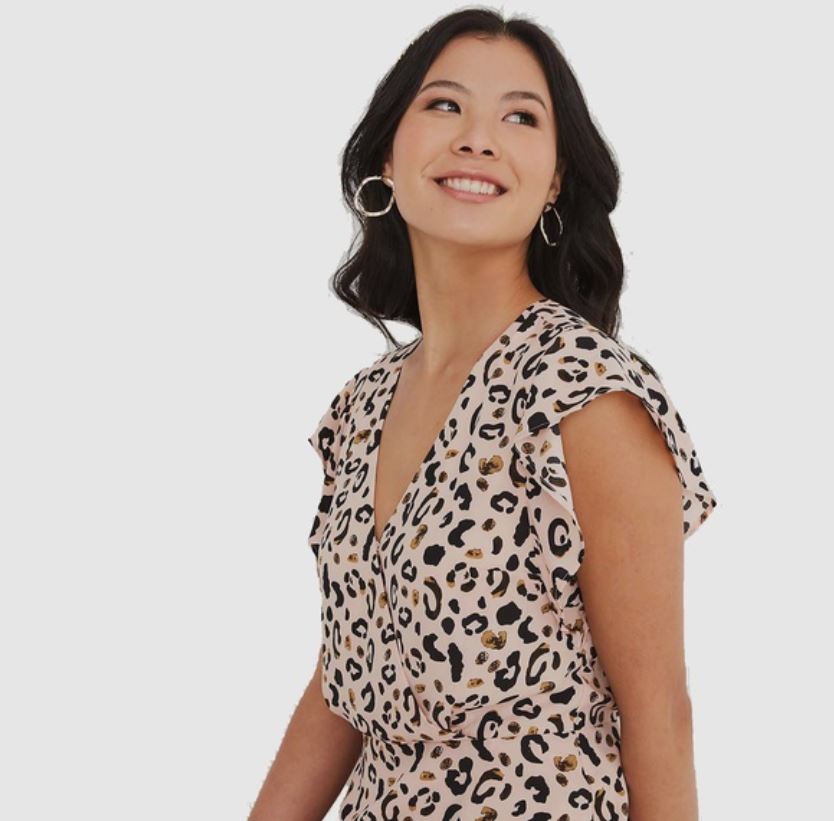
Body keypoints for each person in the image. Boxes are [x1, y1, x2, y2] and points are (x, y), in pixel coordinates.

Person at [250, 9, 718, 821]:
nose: (477, 139)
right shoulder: (362, 406)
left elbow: (660, 715)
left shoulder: (583, 393)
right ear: (386, 157)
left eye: (520, 117)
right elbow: (347, 675)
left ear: (556, 179)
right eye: (443, 105)